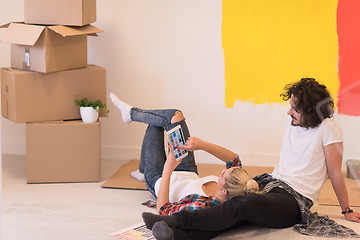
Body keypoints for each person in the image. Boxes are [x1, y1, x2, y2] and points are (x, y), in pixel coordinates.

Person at [140, 78, 360, 240]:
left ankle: (175, 221)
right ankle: (176, 235)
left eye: (295, 109)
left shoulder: (329, 129)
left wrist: (346, 210)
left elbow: (334, 172)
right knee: (233, 207)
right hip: (271, 182)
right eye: (290, 105)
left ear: (311, 112)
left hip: (294, 200)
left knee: (244, 205)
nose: (288, 112)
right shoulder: (293, 121)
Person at [109, 92, 259, 215]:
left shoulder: (203, 204)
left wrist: (168, 167)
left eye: (223, 174)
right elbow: (233, 159)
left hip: (159, 178)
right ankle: (130, 115)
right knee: (175, 116)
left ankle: (131, 114)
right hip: (187, 169)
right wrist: (202, 145)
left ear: (224, 190)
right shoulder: (238, 187)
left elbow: (163, 210)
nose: (223, 170)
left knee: (154, 124)